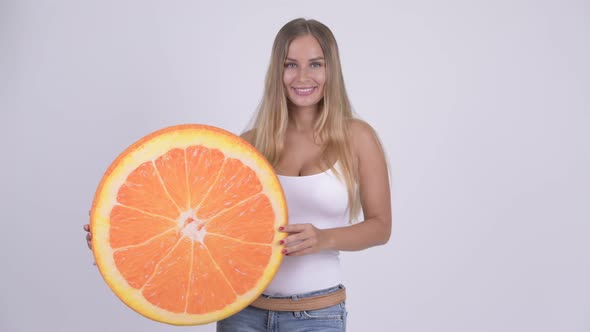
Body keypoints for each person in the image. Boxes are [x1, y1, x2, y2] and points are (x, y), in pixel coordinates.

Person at [84, 18, 391, 332]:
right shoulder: (249, 145)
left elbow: (381, 227)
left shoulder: (357, 137)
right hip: (244, 316)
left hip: (318, 316)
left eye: (315, 64)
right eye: (290, 64)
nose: (302, 76)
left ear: (331, 70)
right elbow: (198, 221)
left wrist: (325, 237)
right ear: (278, 71)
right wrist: (115, 239)